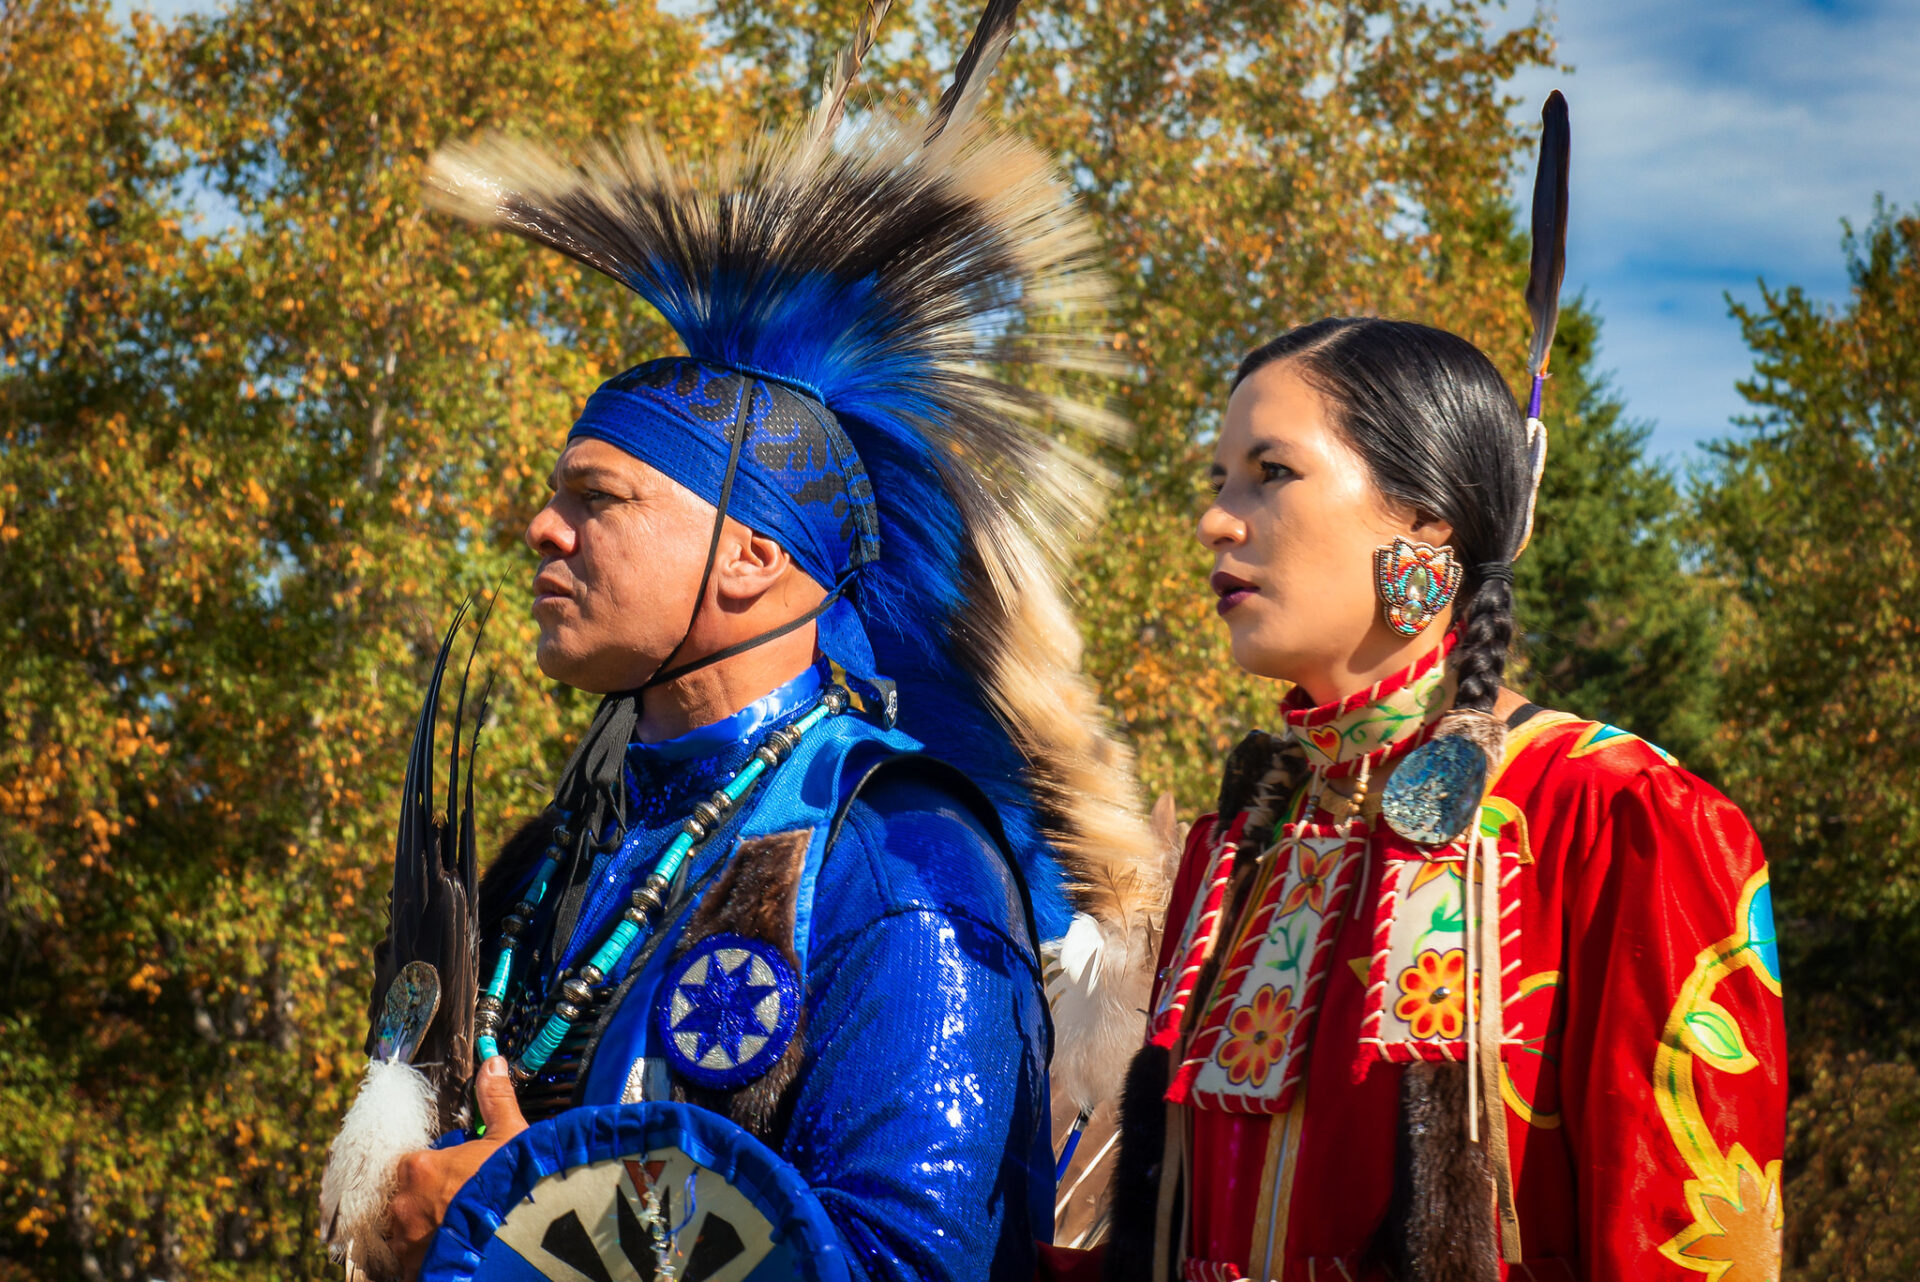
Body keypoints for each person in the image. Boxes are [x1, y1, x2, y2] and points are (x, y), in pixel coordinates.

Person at [319, 3, 1164, 1278]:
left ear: (759, 554)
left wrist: (528, 1218)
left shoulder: (898, 853)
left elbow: (910, 1260)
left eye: (600, 499)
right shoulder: (555, 856)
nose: (543, 530)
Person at [1102, 315, 1787, 1282]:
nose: (1217, 518)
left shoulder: (1615, 819)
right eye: (1220, 482)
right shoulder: (1237, 848)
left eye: (1271, 472)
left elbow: (1686, 1251)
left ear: (1428, 521)